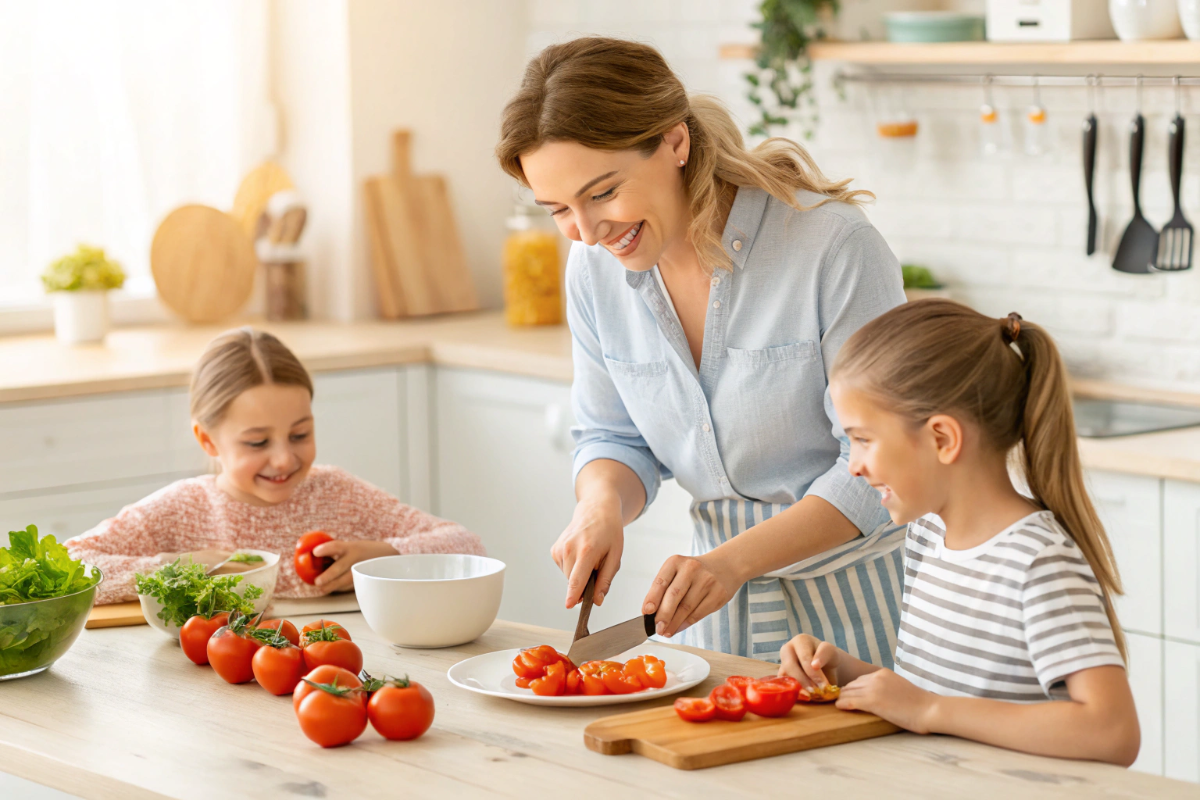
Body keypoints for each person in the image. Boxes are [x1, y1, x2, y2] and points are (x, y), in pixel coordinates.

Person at [496, 36, 906, 663]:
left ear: (675, 142)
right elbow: (614, 436)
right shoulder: (593, 271)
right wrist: (599, 505)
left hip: (853, 611)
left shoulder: (832, 247)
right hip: (710, 615)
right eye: (558, 209)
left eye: (603, 192)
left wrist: (732, 562)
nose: (587, 231)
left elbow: (882, 468)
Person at [779, 300, 1140, 766]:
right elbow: (939, 699)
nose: (853, 466)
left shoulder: (1038, 562)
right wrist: (846, 673)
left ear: (943, 439)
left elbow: (1112, 732)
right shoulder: (928, 535)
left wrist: (927, 708)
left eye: (864, 439)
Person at [68, 327, 484, 605]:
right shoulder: (183, 508)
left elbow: (466, 546)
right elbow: (74, 565)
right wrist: (187, 568)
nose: (285, 458)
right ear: (207, 439)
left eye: (300, 434)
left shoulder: (339, 495)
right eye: (257, 442)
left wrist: (382, 555)